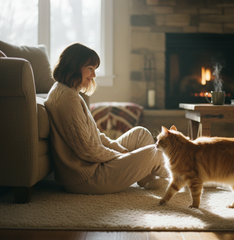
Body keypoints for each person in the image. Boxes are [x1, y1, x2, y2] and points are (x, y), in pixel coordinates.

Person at [45, 43, 168, 194]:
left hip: (92, 166)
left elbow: (96, 136)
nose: (94, 75)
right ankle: (185, 176)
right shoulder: (68, 99)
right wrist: (120, 156)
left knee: (140, 134)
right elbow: (87, 150)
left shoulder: (68, 92)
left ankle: (146, 177)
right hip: (86, 177)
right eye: (90, 68)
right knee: (154, 152)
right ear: (74, 66)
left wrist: (123, 153)